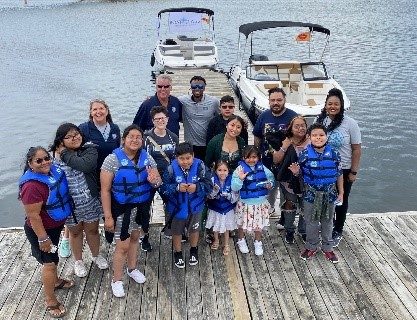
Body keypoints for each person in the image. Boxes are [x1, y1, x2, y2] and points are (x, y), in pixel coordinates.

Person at [101, 124, 162, 297]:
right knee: (122, 246)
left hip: (141, 207)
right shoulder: (112, 160)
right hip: (122, 209)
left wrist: (153, 180)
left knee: (136, 238)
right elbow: (105, 190)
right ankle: (117, 280)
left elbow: (157, 183)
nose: (135, 140)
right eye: (131, 137)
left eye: (138, 137)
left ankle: (132, 268)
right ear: (124, 139)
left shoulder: (147, 157)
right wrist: (108, 217)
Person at [57, 99, 120, 259]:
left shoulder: (114, 129)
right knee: (74, 223)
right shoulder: (84, 128)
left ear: (107, 110)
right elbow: (73, 144)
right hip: (88, 174)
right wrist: (60, 151)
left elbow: (118, 150)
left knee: (104, 208)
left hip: (107, 174)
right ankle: (65, 238)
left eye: (101, 108)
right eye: (94, 109)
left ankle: (108, 235)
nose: (98, 112)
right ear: (90, 112)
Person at [19, 146, 74, 318]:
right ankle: (50, 301)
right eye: (39, 161)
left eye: (46, 158)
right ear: (30, 164)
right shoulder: (31, 186)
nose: (45, 162)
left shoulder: (53, 173)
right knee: (49, 264)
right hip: (41, 231)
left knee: (54, 259)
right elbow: (33, 216)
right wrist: (43, 239)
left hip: (55, 226)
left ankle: (56, 282)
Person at [50, 123, 109, 278]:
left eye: (76, 134)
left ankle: (96, 255)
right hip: (70, 204)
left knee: (93, 230)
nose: (74, 138)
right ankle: (78, 261)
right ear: (61, 140)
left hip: (89, 200)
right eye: (68, 137)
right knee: (75, 233)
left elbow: (85, 165)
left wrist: (63, 153)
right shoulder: (53, 157)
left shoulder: (89, 149)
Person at [288, 123, 343, 263]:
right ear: (309, 137)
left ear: (326, 137)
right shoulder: (305, 154)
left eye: (321, 135)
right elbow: (300, 173)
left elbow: (339, 174)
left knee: (328, 221)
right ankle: (311, 246)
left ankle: (328, 248)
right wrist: (296, 172)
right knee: (311, 221)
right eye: (314, 135)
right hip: (311, 194)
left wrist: (341, 192)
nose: (318, 138)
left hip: (330, 194)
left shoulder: (335, 154)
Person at [315, 88, 362, 247]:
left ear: (341, 105)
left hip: (345, 168)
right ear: (326, 105)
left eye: (336, 104)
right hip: (324, 167)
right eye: (330, 104)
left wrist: (354, 172)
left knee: (341, 199)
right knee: (325, 198)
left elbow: (356, 149)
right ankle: (327, 225)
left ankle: (338, 229)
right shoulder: (321, 120)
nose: (333, 106)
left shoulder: (350, 123)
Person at [160, 142, 212, 268]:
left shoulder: (201, 166)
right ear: (176, 158)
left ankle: (193, 250)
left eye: (188, 158)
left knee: (195, 229)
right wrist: (177, 187)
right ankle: (177, 252)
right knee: (176, 232)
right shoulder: (170, 169)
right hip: (176, 208)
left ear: (193, 156)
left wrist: (197, 187)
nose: (185, 161)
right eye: (181, 159)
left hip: (196, 206)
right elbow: (163, 189)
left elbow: (209, 185)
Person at [253, 87, 297, 218]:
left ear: (284, 100)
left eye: (279, 100)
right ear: (269, 101)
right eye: (273, 100)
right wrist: (257, 155)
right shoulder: (263, 116)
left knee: (286, 192)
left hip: (287, 163)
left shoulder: (293, 116)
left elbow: (299, 137)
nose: (276, 103)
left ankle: (285, 217)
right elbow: (257, 136)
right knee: (269, 188)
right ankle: (269, 208)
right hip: (267, 162)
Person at [143, 106, 179, 245]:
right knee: (146, 206)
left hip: (167, 177)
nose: (160, 121)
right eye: (157, 119)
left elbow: (176, 158)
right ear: (153, 121)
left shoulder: (173, 137)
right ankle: (144, 234)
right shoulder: (147, 138)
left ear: (167, 119)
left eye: (163, 118)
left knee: (170, 203)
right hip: (151, 177)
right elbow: (143, 158)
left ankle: (169, 229)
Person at [232, 145, 275, 256]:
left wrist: (270, 184)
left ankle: (258, 242)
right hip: (245, 203)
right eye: (248, 157)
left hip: (260, 203)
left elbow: (271, 178)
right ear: (243, 158)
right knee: (241, 224)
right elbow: (234, 187)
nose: (251, 160)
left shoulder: (263, 168)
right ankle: (241, 240)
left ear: (258, 157)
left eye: (254, 157)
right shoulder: (239, 170)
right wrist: (240, 179)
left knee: (258, 225)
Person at [273, 116, 309, 243]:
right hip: (288, 181)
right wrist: (284, 147)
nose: (300, 128)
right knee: (289, 204)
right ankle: (289, 229)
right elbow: (276, 160)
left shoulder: (312, 141)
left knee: (306, 205)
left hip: (307, 181)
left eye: (302, 125)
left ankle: (303, 230)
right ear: (291, 128)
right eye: (297, 126)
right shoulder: (285, 140)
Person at [179, 76, 220, 160]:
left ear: (204, 88)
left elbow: (224, 115)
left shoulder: (214, 102)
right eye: (194, 86)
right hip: (190, 145)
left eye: (201, 86)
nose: (197, 89)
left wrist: (241, 121)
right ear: (190, 88)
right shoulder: (182, 100)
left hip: (208, 144)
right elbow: (168, 101)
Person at [205, 160, 238, 255]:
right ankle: (216, 240)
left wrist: (228, 195)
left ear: (228, 171)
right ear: (215, 171)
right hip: (215, 208)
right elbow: (208, 196)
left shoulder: (232, 180)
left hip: (227, 208)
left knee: (227, 227)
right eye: (219, 170)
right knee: (216, 226)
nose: (222, 172)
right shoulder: (211, 180)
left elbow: (236, 195)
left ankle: (226, 244)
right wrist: (214, 192)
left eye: (225, 170)